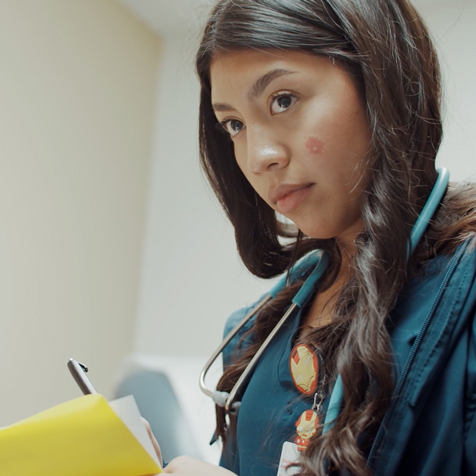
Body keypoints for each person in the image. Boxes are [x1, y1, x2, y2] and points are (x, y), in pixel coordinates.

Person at [160, 0, 476, 475]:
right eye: (235, 124)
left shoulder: (466, 295)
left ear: (379, 82)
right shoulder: (252, 335)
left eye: (283, 100)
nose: (258, 156)